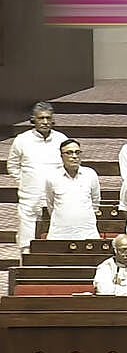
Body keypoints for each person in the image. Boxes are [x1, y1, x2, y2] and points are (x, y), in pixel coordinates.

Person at [7, 102, 67, 253]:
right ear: (33, 119)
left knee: (56, 230)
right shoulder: (22, 140)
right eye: (41, 118)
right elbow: (13, 165)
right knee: (26, 235)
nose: (45, 122)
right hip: (30, 195)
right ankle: (25, 264)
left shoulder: (61, 139)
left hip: (55, 194)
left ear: (53, 120)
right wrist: (24, 181)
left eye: (48, 118)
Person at [44, 139, 101, 240]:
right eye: (69, 153)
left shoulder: (90, 174)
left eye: (77, 152)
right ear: (61, 156)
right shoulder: (52, 177)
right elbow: (51, 204)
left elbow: (95, 202)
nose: (74, 156)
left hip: (87, 232)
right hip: (59, 233)